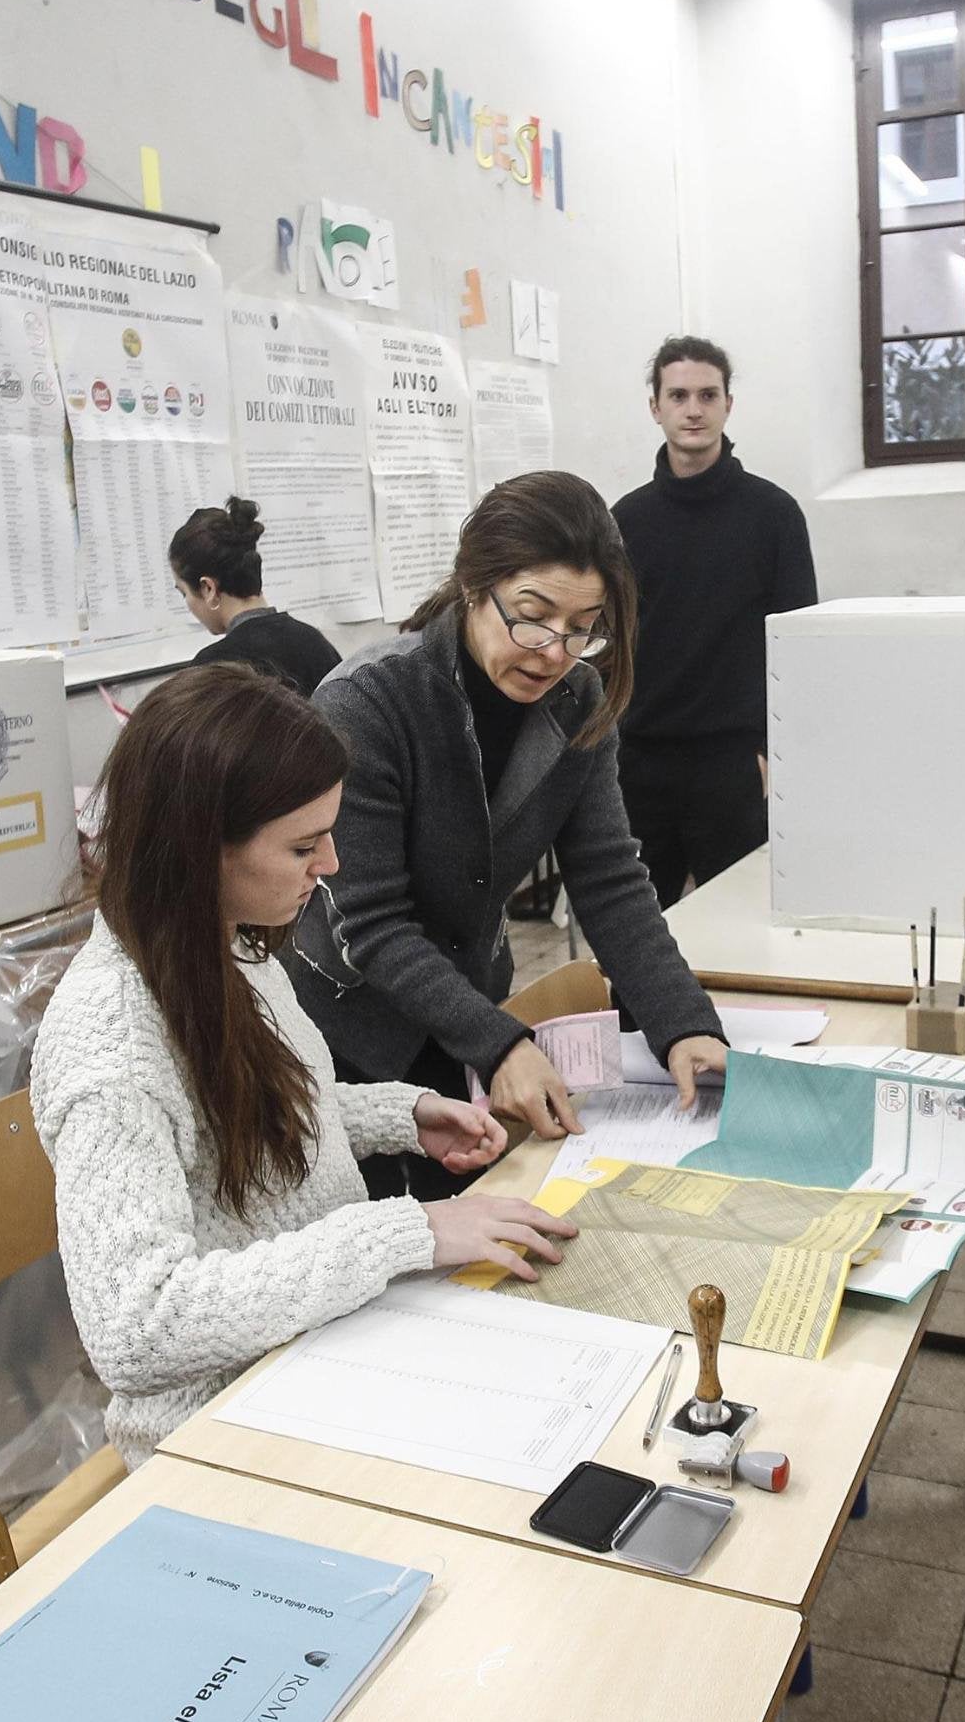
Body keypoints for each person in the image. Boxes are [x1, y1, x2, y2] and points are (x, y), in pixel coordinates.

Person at [32, 663, 575, 1467]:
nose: (331, 865)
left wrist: (396, 1116)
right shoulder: (111, 1047)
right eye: (301, 844)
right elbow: (136, 1327)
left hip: (320, 1356)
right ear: (198, 847)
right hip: (225, 1428)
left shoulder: (226, 945)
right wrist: (404, 1231)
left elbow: (245, 1112)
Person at [292, 471, 731, 1197]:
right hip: (349, 1037)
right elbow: (371, 925)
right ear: (474, 585)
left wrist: (682, 1024)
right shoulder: (372, 703)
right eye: (531, 615)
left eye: (583, 627)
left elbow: (611, 881)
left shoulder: (575, 699)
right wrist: (501, 1044)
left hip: (462, 1018)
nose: (554, 650)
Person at [612, 335, 817, 906]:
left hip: (732, 766)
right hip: (641, 763)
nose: (694, 409)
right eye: (678, 395)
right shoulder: (625, 520)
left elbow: (797, 644)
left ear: (729, 404)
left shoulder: (773, 515)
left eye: (708, 394)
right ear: (656, 407)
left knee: (739, 929)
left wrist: (776, 753)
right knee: (640, 931)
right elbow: (610, 644)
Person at [170, 497, 342, 695]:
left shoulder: (212, 669)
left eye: (184, 593)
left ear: (208, 588)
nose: (188, 603)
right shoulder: (314, 642)